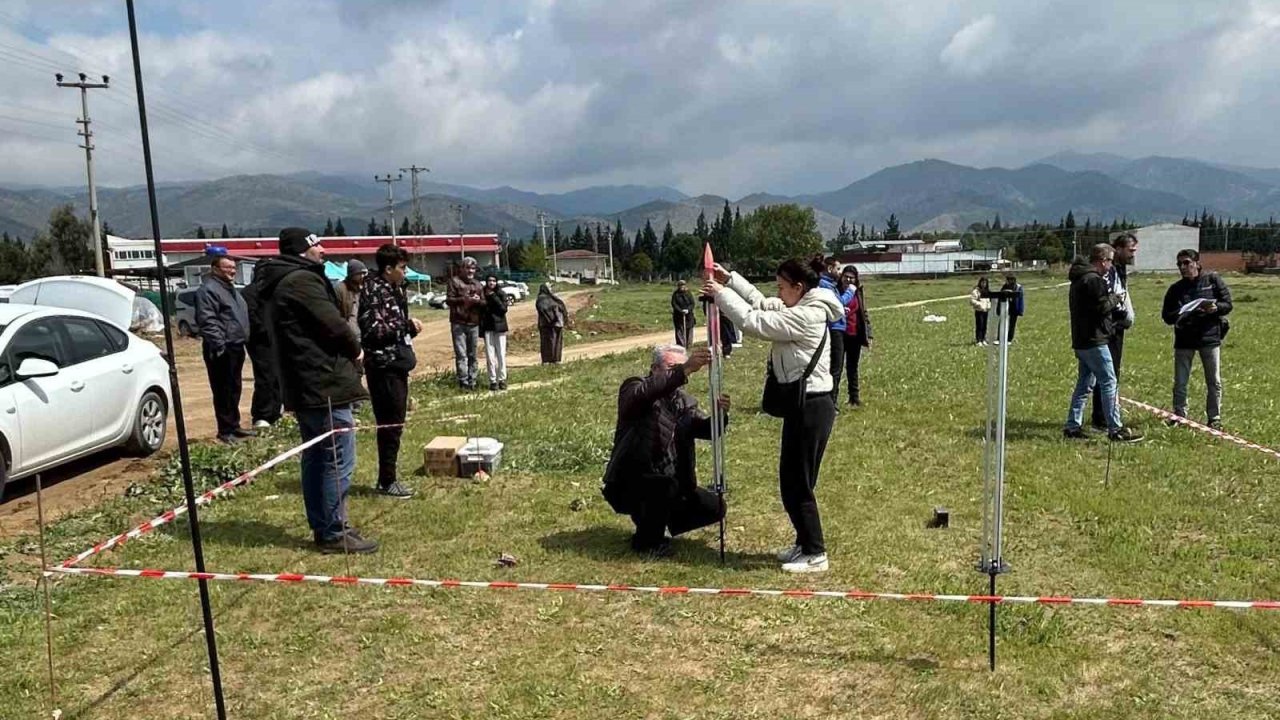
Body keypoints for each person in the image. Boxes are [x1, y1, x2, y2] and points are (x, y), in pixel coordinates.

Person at [703, 259, 843, 573]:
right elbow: (762, 303)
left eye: (782, 286)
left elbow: (755, 322)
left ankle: (815, 552)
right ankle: (803, 543)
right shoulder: (800, 305)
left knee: (798, 483)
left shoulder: (807, 315)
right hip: (802, 405)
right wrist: (733, 280)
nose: (777, 292)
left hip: (812, 406)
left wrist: (721, 294)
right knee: (792, 479)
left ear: (799, 288)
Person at [254, 227, 376, 554]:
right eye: (317, 245)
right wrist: (355, 350)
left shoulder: (281, 281)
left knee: (317, 456)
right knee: (337, 457)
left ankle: (324, 525)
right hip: (321, 381)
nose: (323, 250)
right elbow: (333, 324)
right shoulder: (301, 281)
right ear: (301, 250)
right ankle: (334, 530)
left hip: (304, 383)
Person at [602, 344, 728, 556]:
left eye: (680, 367)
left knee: (715, 506)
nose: (678, 373)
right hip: (631, 481)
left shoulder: (684, 402)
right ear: (654, 369)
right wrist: (685, 369)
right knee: (663, 487)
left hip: (674, 483)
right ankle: (647, 543)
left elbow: (706, 431)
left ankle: (660, 525)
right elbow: (643, 394)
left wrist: (719, 416)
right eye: (672, 368)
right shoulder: (634, 387)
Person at [358, 244, 422, 499]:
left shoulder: (392, 289)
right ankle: (387, 480)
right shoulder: (374, 292)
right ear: (388, 269)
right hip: (384, 366)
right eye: (402, 268)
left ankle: (387, 477)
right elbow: (373, 330)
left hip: (396, 362)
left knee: (396, 422)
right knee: (390, 424)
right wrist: (405, 326)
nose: (405, 272)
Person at [1063, 243, 1143, 443]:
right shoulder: (1094, 280)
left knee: (1085, 384)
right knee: (1109, 381)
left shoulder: (1079, 279)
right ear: (1102, 260)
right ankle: (1115, 429)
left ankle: (1073, 426)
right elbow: (1101, 308)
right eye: (1109, 261)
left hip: (1081, 340)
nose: (1110, 266)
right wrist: (1115, 299)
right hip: (1095, 340)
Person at [1161, 249, 1232, 429]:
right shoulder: (1176, 289)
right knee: (1181, 381)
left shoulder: (1212, 280)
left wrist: (1215, 308)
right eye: (1179, 264)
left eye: (1186, 263)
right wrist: (1183, 312)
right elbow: (1167, 316)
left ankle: (1214, 418)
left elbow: (1228, 304)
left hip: (1209, 338)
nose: (1183, 267)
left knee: (1214, 381)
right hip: (1185, 340)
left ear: (1197, 263)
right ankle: (1179, 415)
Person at [195, 254, 254, 444]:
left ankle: (234, 425)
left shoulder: (230, 289)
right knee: (223, 390)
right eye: (227, 267)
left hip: (236, 345)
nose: (232, 271)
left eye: (234, 268)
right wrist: (219, 344)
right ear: (215, 269)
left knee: (234, 388)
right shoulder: (208, 290)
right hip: (221, 348)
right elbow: (208, 320)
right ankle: (225, 430)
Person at [1089, 232, 1138, 430]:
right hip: (1108, 326)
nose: (1133, 254)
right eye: (1130, 250)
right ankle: (1102, 418)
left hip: (1117, 325)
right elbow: (1106, 297)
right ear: (1118, 249)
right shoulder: (1107, 269)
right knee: (1106, 374)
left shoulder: (1120, 268)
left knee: (1111, 372)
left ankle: (1104, 415)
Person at [241, 271, 283, 428]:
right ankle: (262, 414)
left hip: (275, 341)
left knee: (277, 377)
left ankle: (275, 412)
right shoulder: (250, 292)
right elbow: (252, 318)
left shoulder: (272, 291)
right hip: (259, 342)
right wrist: (268, 331)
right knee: (265, 377)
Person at [812, 256, 848, 403]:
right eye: (838, 269)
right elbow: (838, 303)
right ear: (829, 269)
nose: (840, 272)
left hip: (838, 327)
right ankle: (831, 401)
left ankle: (832, 400)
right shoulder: (824, 285)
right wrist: (850, 292)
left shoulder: (830, 284)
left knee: (836, 366)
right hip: (834, 328)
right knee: (835, 367)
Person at [446, 257, 485, 389]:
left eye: (473, 268)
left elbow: (484, 303)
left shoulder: (478, 285)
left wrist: (478, 301)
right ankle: (463, 381)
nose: (470, 271)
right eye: (468, 268)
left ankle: (473, 380)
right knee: (461, 354)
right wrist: (464, 299)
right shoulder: (454, 281)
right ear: (462, 269)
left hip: (474, 323)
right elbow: (449, 300)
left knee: (473, 354)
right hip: (458, 322)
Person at [839, 265, 873, 406]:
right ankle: (831, 399)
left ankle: (854, 398)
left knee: (852, 367)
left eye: (851, 277)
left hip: (854, 334)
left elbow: (864, 313)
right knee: (836, 367)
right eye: (846, 276)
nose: (848, 279)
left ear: (856, 279)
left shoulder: (858, 292)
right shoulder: (836, 291)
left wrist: (869, 334)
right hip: (839, 334)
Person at [481, 274, 509, 391]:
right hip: (488, 327)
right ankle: (492, 380)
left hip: (500, 327)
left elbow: (503, 309)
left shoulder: (501, 293)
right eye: (489, 280)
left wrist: (493, 297)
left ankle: (502, 379)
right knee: (490, 356)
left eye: (493, 281)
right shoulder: (482, 294)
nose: (491, 283)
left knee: (501, 354)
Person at [335, 258, 368, 342]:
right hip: (350, 334)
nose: (362, 276)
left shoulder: (366, 288)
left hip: (365, 333)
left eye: (363, 273)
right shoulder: (341, 289)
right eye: (359, 274)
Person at [536, 283, 568, 363]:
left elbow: (543, 311)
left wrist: (550, 320)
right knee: (557, 342)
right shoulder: (554, 299)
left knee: (547, 343)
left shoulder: (541, 299)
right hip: (557, 323)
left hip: (546, 325)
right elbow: (562, 309)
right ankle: (556, 359)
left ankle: (547, 360)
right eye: (550, 287)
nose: (551, 289)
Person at [996, 274, 1025, 344]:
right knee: (1002, 322)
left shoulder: (1018, 287)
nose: (1008, 282)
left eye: (1010, 280)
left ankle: (1009, 339)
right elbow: (1000, 296)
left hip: (1014, 308)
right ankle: (999, 338)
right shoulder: (1004, 286)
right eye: (1008, 280)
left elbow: (1020, 298)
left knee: (1012, 324)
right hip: (1005, 306)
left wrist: (1020, 310)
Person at [670, 279, 696, 347]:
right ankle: (681, 345)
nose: (682, 287)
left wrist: (688, 310)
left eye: (683, 285)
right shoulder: (675, 294)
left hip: (689, 315)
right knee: (679, 330)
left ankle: (689, 345)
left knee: (689, 329)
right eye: (680, 285)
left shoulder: (688, 293)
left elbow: (692, 303)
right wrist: (680, 311)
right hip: (678, 315)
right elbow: (674, 304)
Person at [969, 277, 991, 346]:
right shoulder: (976, 291)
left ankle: (983, 339)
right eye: (982, 282)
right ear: (980, 282)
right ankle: (978, 340)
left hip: (985, 310)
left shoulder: (987, 291)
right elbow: (972, 301)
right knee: (979, 325)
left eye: (985, 283)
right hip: (979, 311)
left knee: (984, 325)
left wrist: (988, 306)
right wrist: (979, 304)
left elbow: (989, 300)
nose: (983, 284)